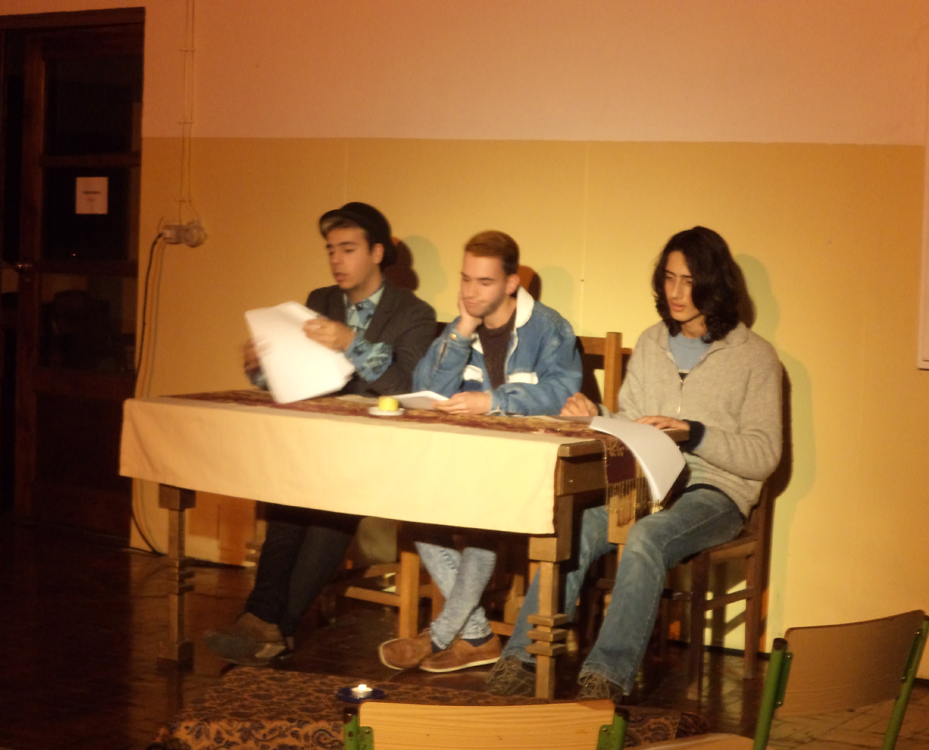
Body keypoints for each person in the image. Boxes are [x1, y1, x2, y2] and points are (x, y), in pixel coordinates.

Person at [486, 226, 783, 699]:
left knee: (647, 537)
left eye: (689, 281)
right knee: (575, 527)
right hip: (647, 482)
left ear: (715, 284)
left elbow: (765, 456)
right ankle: (523, 657)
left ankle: (607, 675)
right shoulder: (652, 342)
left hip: (715, 493)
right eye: (669, 278)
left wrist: (696, 433)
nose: (676, 292)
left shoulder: (756, 357)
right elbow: (633, 422)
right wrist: (596, 415)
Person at [204, 202, 437, 665]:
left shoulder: (414, 312)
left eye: (347, 249)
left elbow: (407, 386)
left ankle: (274, 625)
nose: (336, 260)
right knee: (287, 502)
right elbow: (299, 377)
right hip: (318, 439)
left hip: (377, 443)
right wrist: (261, 367)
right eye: (331, 250)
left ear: (377, 252)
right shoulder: (321, 300)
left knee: (330, 507)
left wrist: (352, 343)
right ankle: (263, 621)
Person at [377, 230, 582, 673]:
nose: (471, 291)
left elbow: (562, 392)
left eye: (484, 282)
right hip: (466, 460)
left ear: (511, 283)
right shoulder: (462, 327)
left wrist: (494, 401)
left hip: (525, 465)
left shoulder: (548, 327)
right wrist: (462, 329)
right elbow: (425, 388)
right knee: (414, 507)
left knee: (482, 518)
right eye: (466, 279)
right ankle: (477, 636)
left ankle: (438, 636)